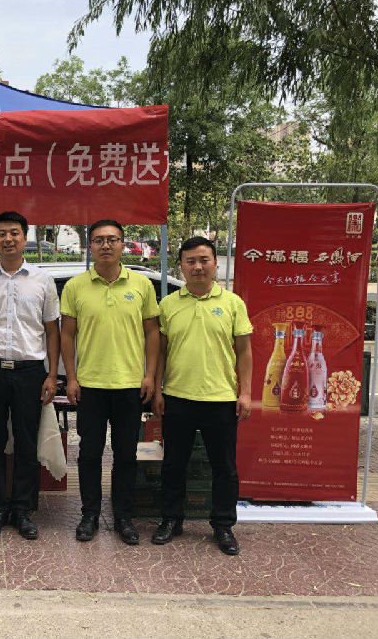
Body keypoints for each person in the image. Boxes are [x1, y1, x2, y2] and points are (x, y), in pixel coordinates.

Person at [151, 236, 253, 556]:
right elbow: (160, 352)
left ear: (215, 264)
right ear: (181, 266)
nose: (197, 266)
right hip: (177, 396)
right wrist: (157, 388)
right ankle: (171, 519)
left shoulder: (233, 303)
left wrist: (245, 393)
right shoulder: (168, 305)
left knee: (224, 467)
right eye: (191, 261)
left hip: (221, 399)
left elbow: (244, 352)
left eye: (204, 260)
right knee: (173, 464)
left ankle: (223, 525)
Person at [60, 219, 160, 544]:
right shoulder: (75, 286)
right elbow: (67, 335)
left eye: (112, 239)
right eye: (99, 240)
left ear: (122, 244)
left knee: (126, 455)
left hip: (130, 385)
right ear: (90, 246)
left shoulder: (142, 285)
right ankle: (89, 515)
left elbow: (152, 332)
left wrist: (149, 375)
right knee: (89, 453)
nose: (106, 245)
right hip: (90, 385)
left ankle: (123, 517)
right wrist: (71, 377)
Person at [0, 211, 60, 540]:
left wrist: (51, 375)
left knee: (26, 443)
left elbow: (52, 330)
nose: (8, 239)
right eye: (2, 234)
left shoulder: (42, 280)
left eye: (14, 233)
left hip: (30, 372)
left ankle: (22, 509)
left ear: (24, 237)